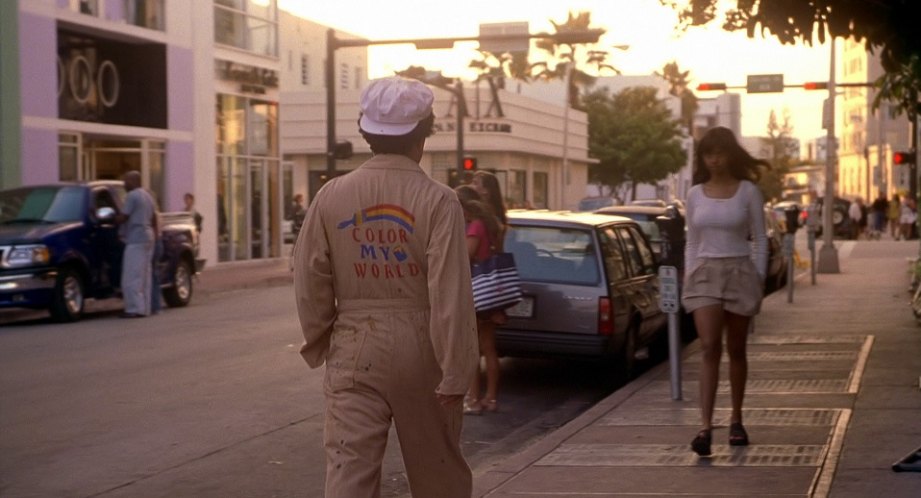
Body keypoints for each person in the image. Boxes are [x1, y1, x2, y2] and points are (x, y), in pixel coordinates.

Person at [293, 76, 479, 498]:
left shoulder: (331, 196)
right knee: (439, 473)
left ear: (365, 132)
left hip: (355, 344)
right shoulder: (439, 200)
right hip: (423, 345)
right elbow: (449, 291)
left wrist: (322, 337)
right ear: (424, 135)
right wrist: (456, 368)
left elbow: (309, 278)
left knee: (348, 473)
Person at [682, 126, 769, 456]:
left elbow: (759, 239)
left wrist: (757, 279)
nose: (714, 159)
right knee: (708, 347)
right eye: (708, 153)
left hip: (739, 271)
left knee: (736, 349)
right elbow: (692, 241)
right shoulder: (694, 194)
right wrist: (691, 273)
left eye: (719, 152)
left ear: (731, 154)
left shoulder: (748, 191)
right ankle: (704, 427)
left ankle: (735, 418)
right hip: (705, 273)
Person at [455, 185, 502, 416]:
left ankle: (472, 399)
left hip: (476, 292)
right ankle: (491, 398)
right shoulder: (492, 225)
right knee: (488, 347)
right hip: (492, 292)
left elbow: (466, 256)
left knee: (471, 348)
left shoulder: (475, 226)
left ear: (464, 207)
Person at [115, 171, 157, 318]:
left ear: (134, 181)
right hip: (148, 237)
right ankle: (144, 307)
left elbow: (124, 217)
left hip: (136, 239)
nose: (125, 184)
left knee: (131, 276)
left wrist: (112, 218)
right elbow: (154, 218)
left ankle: (133, 309)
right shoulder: (148, 196)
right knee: (145, 275)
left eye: (126, 180)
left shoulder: (132, 196)